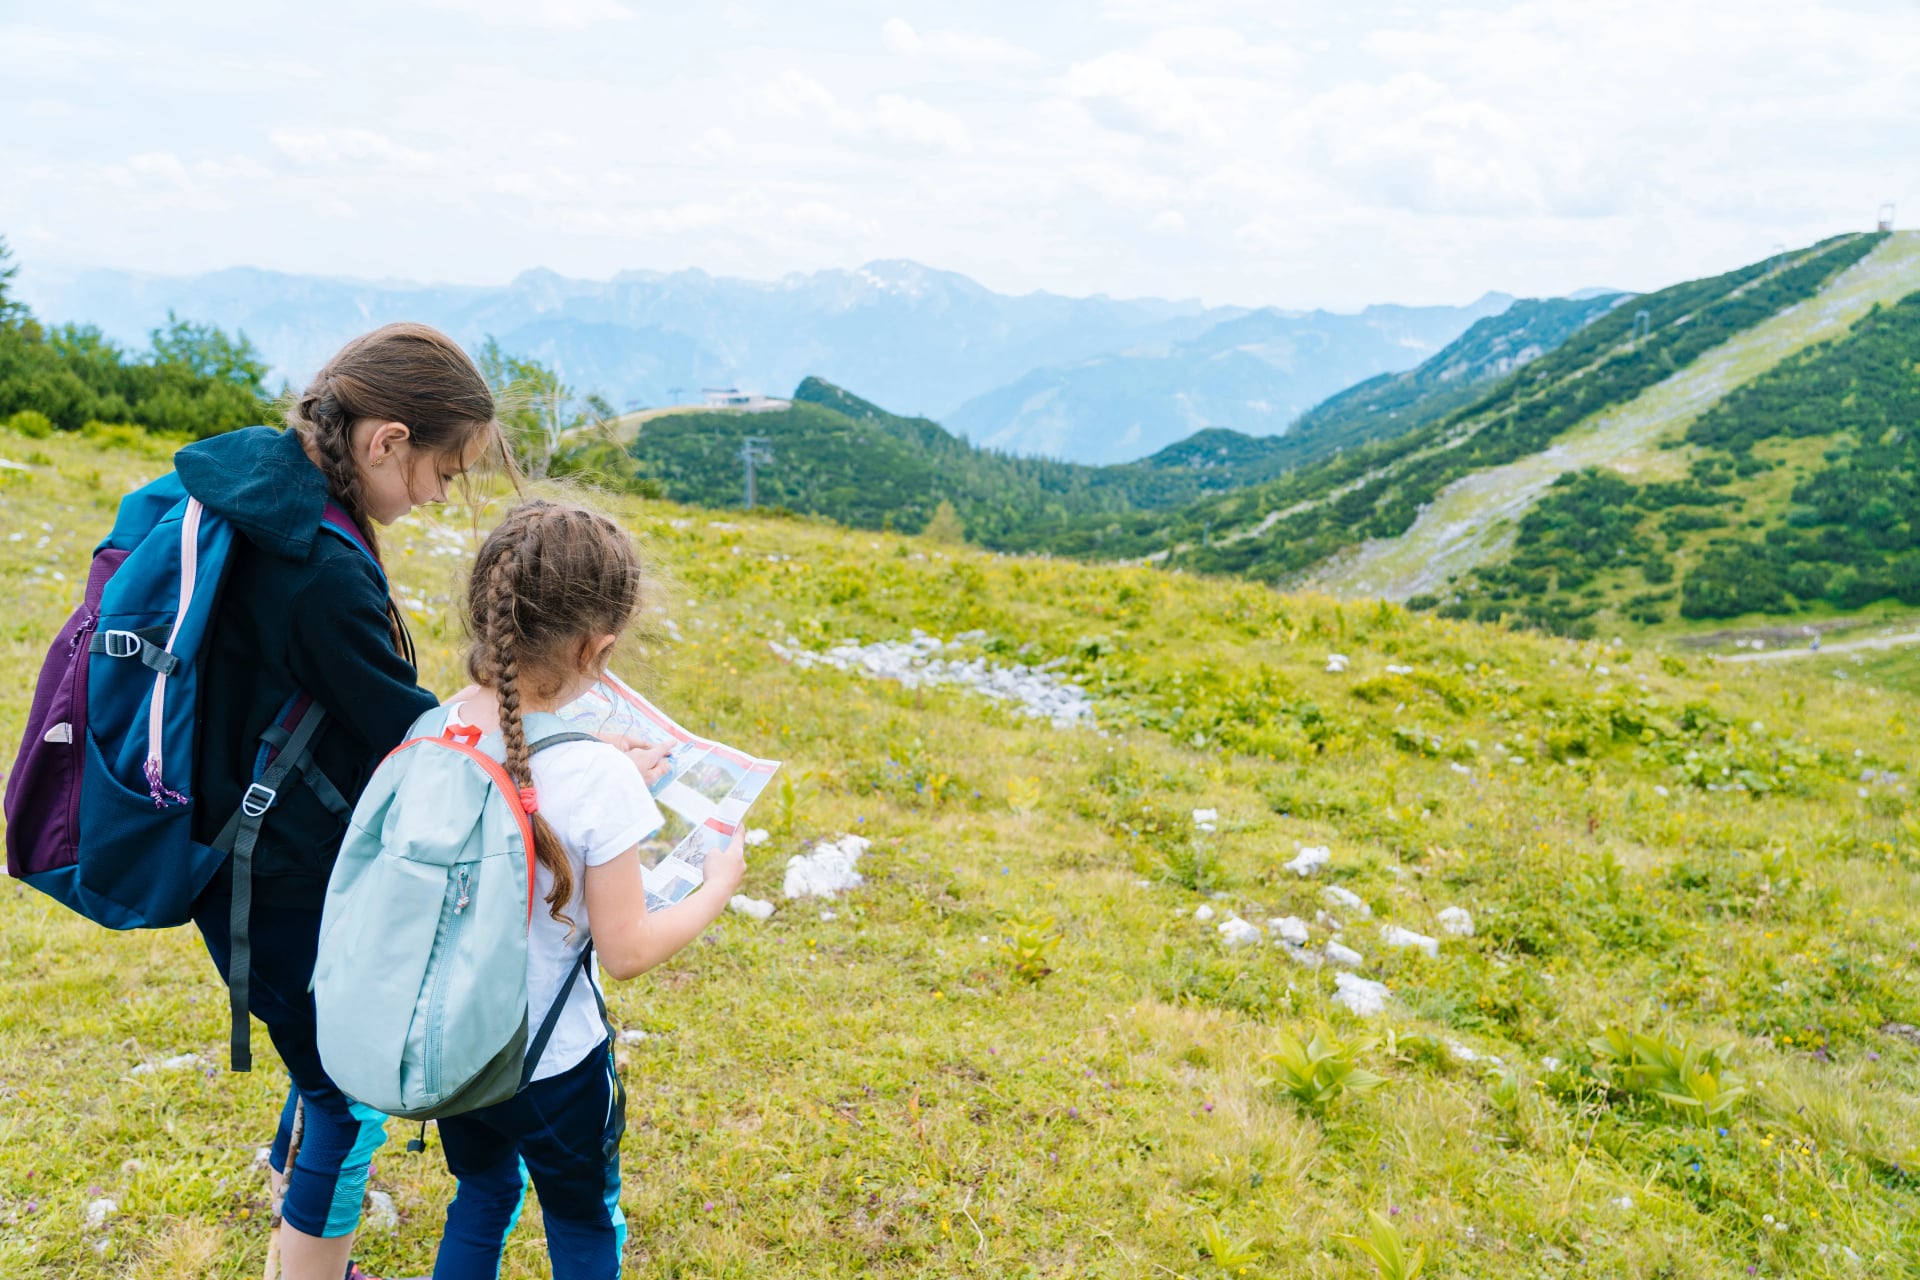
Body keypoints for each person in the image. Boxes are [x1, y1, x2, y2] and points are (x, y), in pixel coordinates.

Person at [177, 323, 500, 1280]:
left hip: (236, 843)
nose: (442, 496)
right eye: (444, 468)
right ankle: (309, 1265)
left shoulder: (270, 489)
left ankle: (292, 1191)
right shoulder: (320, 570)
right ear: (386, 440)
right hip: (274, 876)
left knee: (317, 1060)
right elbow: (412, 737)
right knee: (349, 1092)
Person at [429, 500, 746, 1280]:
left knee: (480, 1194)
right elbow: (627, 949)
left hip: (457, 1046)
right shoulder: (597, 777)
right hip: (554, 1062)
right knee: (581, 1218)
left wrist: (590, 754)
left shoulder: (432, 728)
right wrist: (717, 889)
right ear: (597, 649)